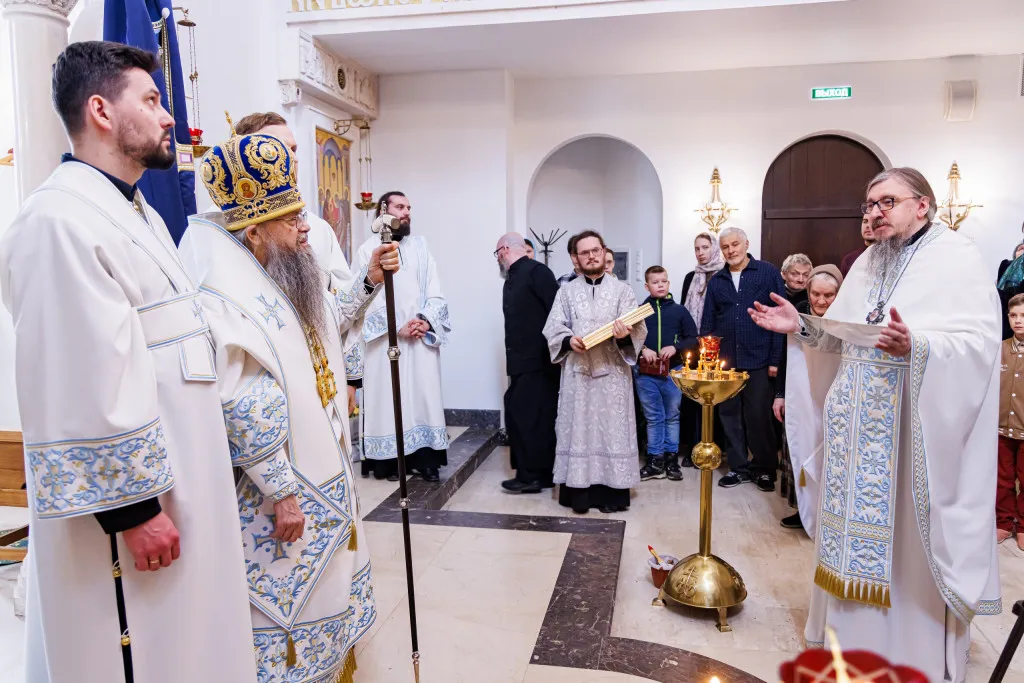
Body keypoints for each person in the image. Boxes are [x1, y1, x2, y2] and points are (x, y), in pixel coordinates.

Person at [0, 41, 256, 683]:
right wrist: (133, 511)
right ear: (101, 111)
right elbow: (76, 377)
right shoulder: (60, 220)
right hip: (128, 522)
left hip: (183, 489)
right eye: (151, 99)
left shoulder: (129, 211)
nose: (169, 116)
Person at [749, 167, 1001, 682]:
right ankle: (848, 641)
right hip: (855, 427)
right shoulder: (868, 260)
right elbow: (844, 335)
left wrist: (919, 346)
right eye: (869, 204)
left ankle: (910, 650)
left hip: (913, 429)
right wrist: (802, 326)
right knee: (850, 536)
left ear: (922, 205)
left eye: (887, 202)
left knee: (905, 542)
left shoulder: (958, 257)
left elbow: (980, 344)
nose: (874, 213)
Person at [179, 131, 397, 681]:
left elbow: (329, 323)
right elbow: (243, 403)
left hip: (324, 476)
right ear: (253, 232)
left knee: (331, 601)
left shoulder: (285, 276)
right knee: (282, 627)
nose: (307, 228)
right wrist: (282, 494)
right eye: (292, 218)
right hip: (278, 499)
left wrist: (370, 281)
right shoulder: (226, 297)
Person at [231, 111, 367, 410]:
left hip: (322, 383)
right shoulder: (227, 238)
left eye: (294, 150)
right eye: (279, 149)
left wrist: (351, 379)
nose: (292, 158)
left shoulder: (318, 230)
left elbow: (335, 310)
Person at [543, 230, 646, 513]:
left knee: (611, 432)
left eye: (595, 250)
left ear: (603, 252)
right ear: (576, 258)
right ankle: (578, 495)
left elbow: (638, 329)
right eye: (584, 252)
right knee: (578, 431)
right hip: (577, 375)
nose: (591, 256)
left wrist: (624, 335)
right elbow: (553, 327)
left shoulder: (623, 291)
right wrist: (567, 340)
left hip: (612, 375)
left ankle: (612, 496)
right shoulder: (565, 291)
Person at [356, 191, 450, 482]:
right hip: (386, 341)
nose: (407, 211)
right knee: (390, 398)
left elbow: (435, 289)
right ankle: (391, 462)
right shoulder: (367, 250)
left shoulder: (421, 247)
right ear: (383, 211)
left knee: (423, 397)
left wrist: (425, 320)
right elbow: (360, 298)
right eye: (400, 206)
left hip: (419, 340)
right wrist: (395, 326)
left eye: (409, 207)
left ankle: (425, 461)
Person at [701, 227, 785, 491]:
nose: (731, 250)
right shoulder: (717, 281)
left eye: (735, 244)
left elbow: (779, 317)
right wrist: (709, 361)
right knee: (729, 416)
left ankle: (764, 469)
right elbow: (708, 323)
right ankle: (738, 468)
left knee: (758, 416)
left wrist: (775, 359)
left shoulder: (767, 272)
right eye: (725, 247)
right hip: (726, 363)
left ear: (746, 243)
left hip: (759, 357)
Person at [774, 265, 842, 533]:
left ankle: (826, 515)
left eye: (829, 295)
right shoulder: (798, 311)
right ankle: (802, 510)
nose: (821, 301)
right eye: (816, 294)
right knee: (798, 450)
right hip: (799, 396)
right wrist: (779, 394)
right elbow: (785, 355)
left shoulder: (845, 318)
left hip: (829, 397)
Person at [496, 232, 560, 493]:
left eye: (497, 254)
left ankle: (531, 476)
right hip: (522, 363)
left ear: (504, 250)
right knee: (526, 415)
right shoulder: (511, 279)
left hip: (539, 362)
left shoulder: (538, 272)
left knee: (530, 418)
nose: (498, 259)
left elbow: (557, 315)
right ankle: (538, 474)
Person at [636, 266, 697, 481]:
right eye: (655, 282)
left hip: (673, 371)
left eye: (664, 281)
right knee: (653, 417)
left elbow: (693, 338)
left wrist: (676, 347)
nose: (660, 285)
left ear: (669, 284)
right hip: (646, 374)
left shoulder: (680, 311)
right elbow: (628, 340)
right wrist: (643, 349)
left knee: (672, 416)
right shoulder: (640, 311)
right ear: (647, 286)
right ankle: (655, 461)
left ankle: (672, 460)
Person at [998, 293, 1024, 548]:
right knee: (1003, 478)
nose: (1018, 321)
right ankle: (1004, 522)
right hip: (1001, 428)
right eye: (1014, 315)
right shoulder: (1000, 348)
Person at [680, 232, 726, 334]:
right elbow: (682, 309)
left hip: (717, 337)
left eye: (705, 247)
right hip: (691, 337)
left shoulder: (725, 275)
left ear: (714, 248)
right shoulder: (690, 277)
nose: (700, 252)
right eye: (697, 249)